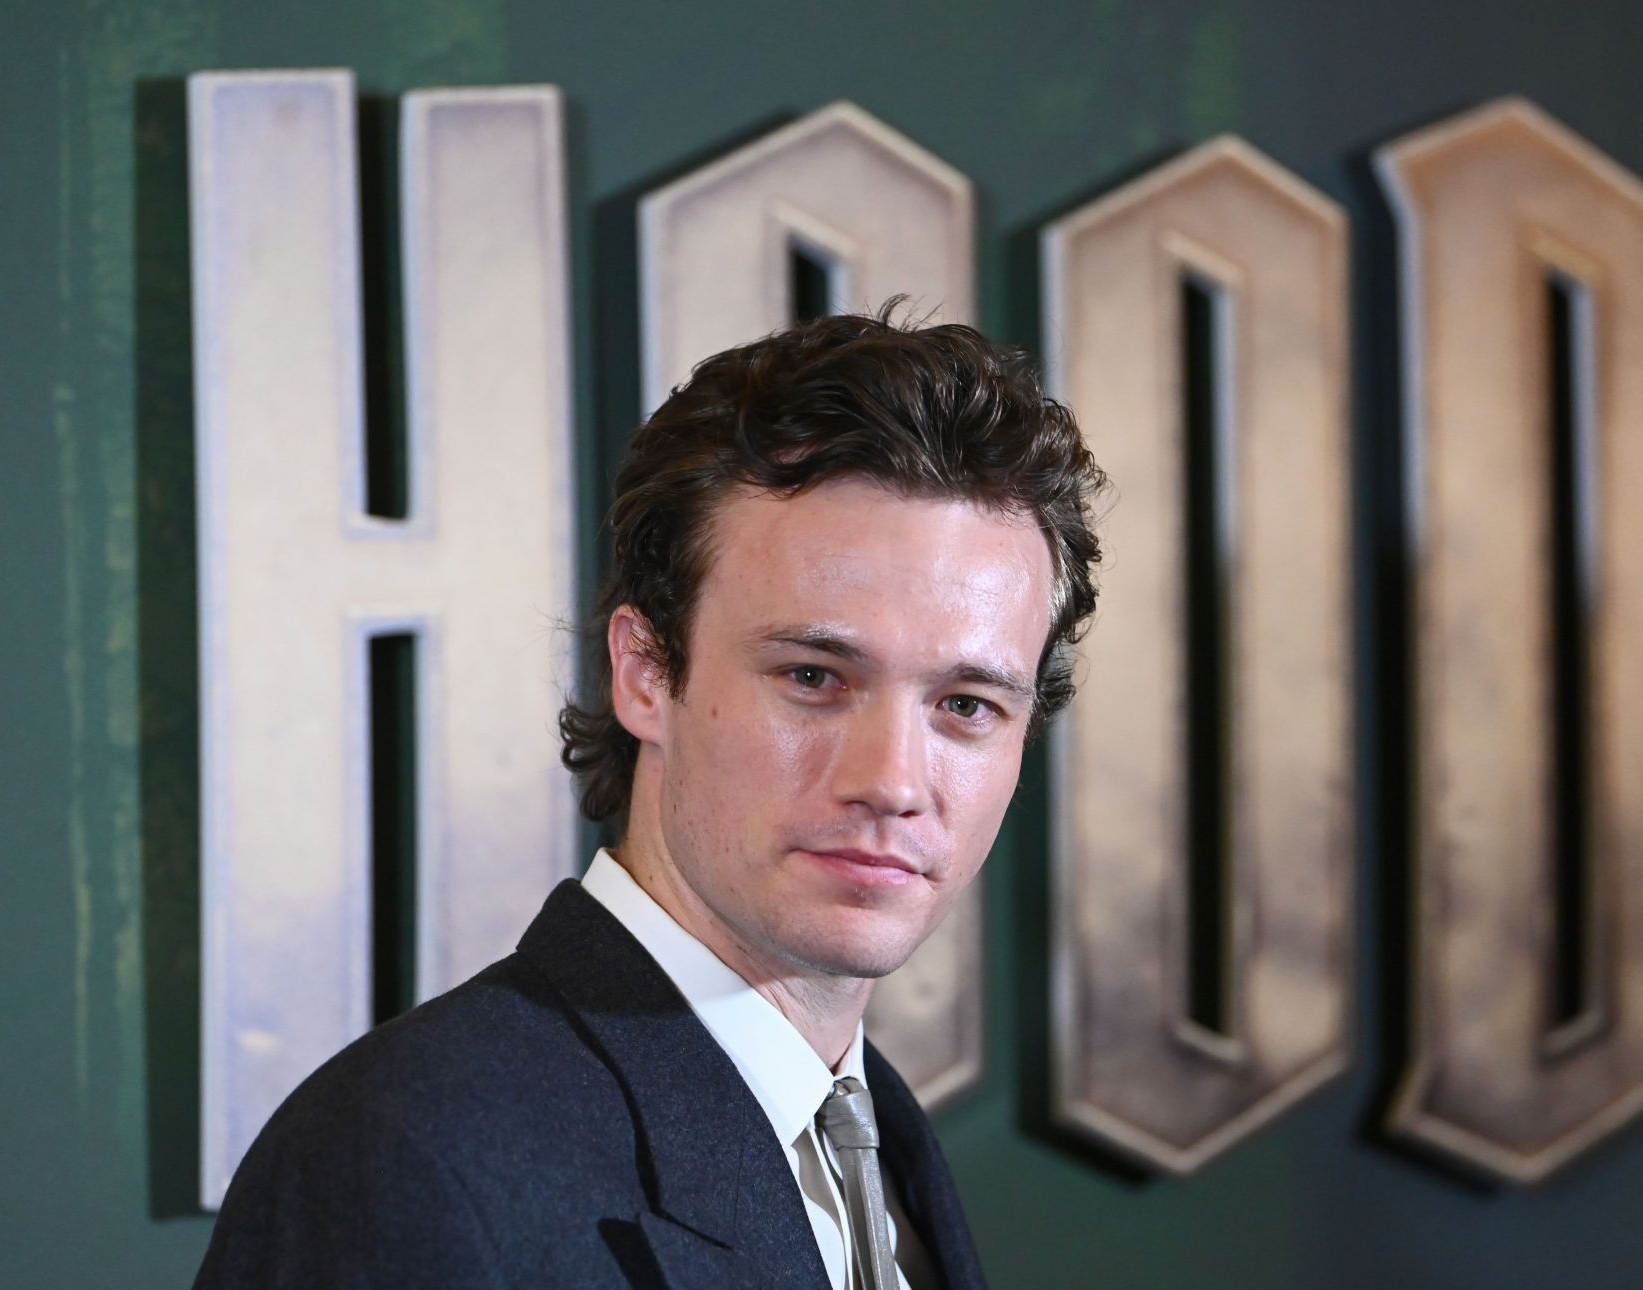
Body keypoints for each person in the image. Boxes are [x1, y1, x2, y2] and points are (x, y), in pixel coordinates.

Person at [195, 303, 1106, 1288]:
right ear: (643, 673)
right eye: (813, 678)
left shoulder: (875, 1143)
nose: (890, 781)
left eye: (967, 704)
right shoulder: (401, 1164)